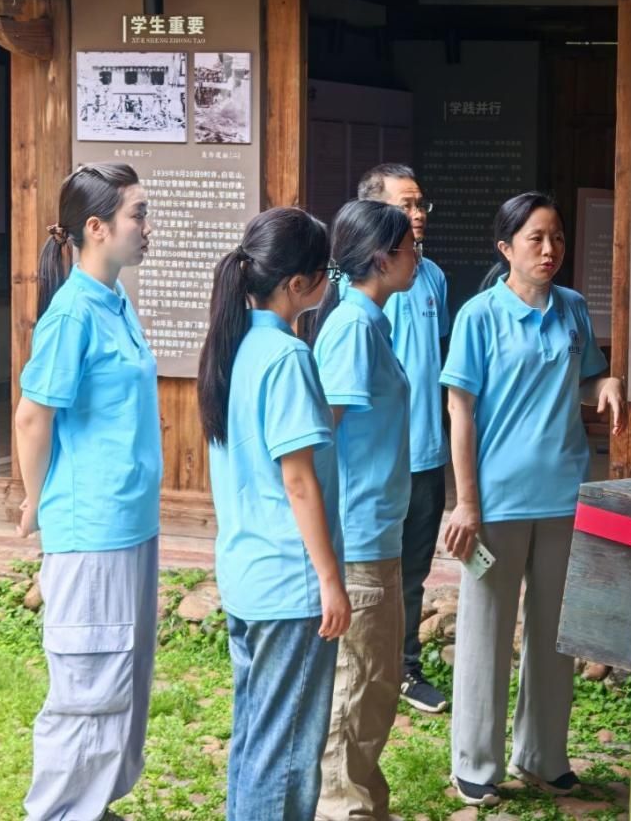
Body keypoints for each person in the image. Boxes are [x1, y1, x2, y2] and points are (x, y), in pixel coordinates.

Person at [442, 193, 625, 807]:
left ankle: (544, 756)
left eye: (557, 239)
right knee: (485, 635)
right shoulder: (479, 316)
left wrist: (608, 384)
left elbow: (581, 381)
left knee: (555, 636)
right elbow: (460, 411)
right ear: (506, 249)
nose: (550, 251)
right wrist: (466, 503)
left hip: (566, 497)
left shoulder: (572, 310)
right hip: (496, 504)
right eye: (536, 239)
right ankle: (475, 762)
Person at [17, 164, 161, 821]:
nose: (147, 227)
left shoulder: (116, 301)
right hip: (93, 528)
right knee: (87, 692)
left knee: (120, 686)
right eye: (137, 214)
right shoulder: (72, 314)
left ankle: (92, 809)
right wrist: (34, 500)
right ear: (96, 228)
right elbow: (32, 415)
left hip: (129, 523)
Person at [198, 206, 351, 821]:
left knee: (257, 737)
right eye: (326, 271)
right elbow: (299, 482)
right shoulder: (287, 359)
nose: (331, 282)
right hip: (290, 584)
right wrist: (331, 580)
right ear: (297, 284)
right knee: (285, 750)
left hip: (246, 573)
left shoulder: (233, 347)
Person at [308, 199, 419, 821]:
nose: (416, 255)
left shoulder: (370, 319)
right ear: (383, 258)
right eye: (409, 247)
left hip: (377, 530)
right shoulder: (353, 326)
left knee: (374, 684)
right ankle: (341, 808)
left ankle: (362, 804)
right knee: (357, 687)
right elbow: (323, 434)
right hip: (357, 536)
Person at [350, 165, 454, 715]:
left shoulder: (431, 276)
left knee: (411, 568)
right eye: (405, 206)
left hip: (426, 453)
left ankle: (404, 667)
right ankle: (361, 663)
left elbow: (436, 360)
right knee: (366, 567)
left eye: (421, 206)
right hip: (374, 462)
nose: (417, 217)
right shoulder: (346, 288)